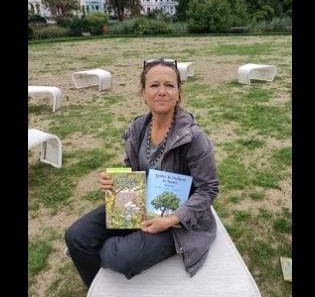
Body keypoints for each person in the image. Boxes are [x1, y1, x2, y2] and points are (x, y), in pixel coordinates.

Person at [65, 58, 219, 288]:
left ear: (179, 92)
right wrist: (114, 182)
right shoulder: (138, 128)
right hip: (137, 203)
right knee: (76, 237)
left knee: (116, 256)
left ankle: (115, 267)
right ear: (143, 92)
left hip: (178, 219)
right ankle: (98, 289)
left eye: (169, 85)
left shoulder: (193, 138)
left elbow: (208, 189)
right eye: (154, 85)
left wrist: (171, 219)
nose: (162, 92)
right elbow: (132, 169)